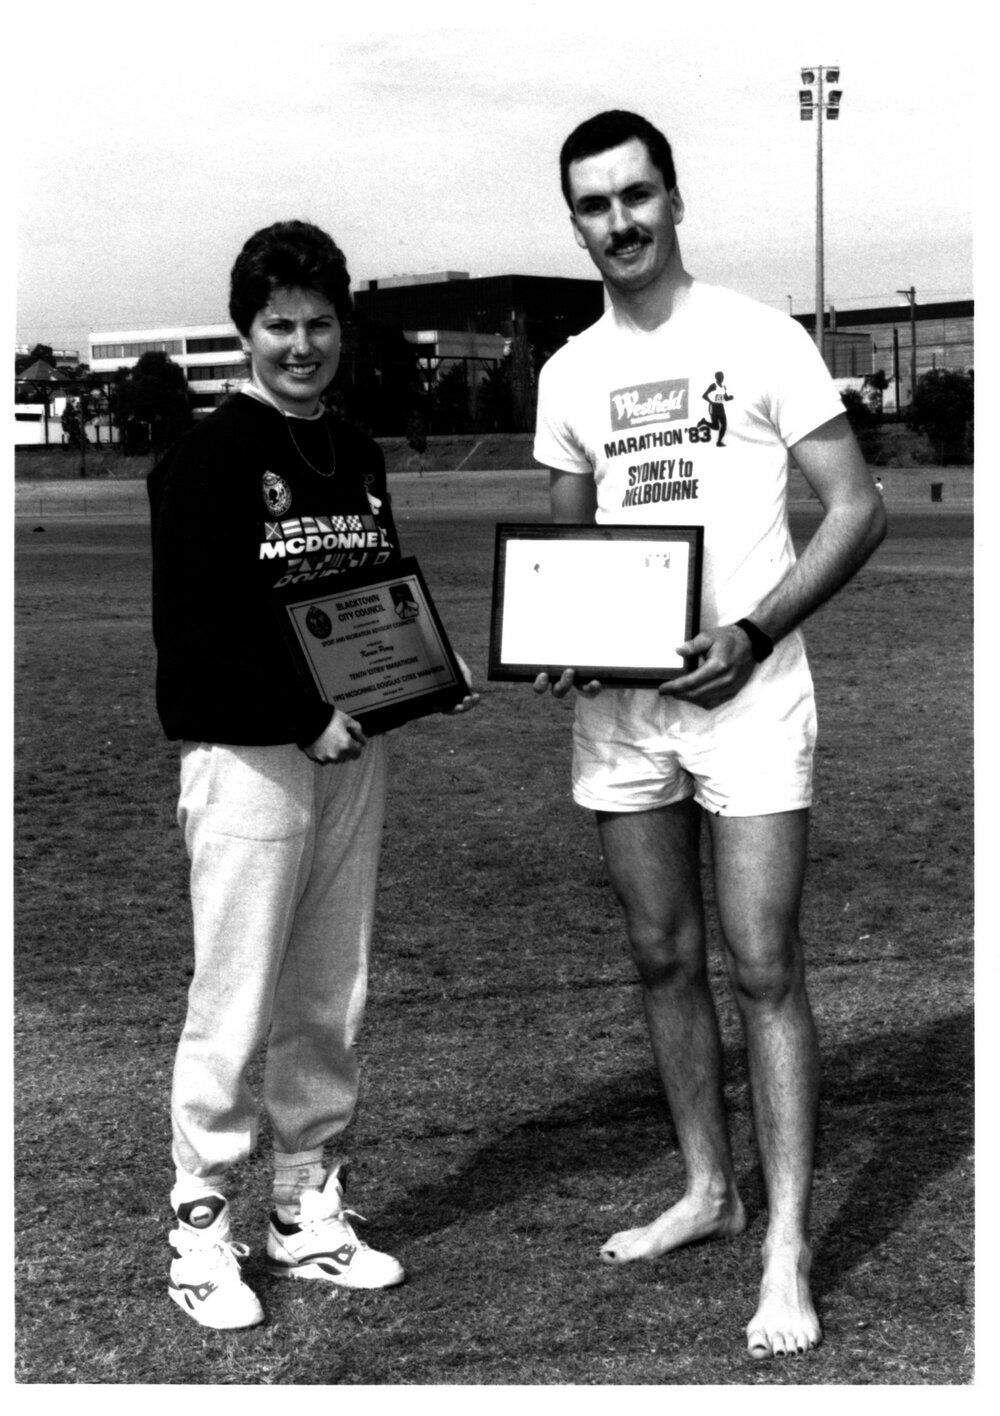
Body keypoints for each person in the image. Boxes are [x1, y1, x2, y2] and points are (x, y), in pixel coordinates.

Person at [533, 112, 886, 1359]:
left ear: (674, 199)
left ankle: (785, 1243)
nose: (617, 222)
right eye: (592, 204)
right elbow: (570, 546)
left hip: (747, 692)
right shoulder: (567, 372)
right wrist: (562, 631)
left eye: (635, 196)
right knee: (660, 956)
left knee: (764, 967)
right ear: (572, 221)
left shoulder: (755, 335)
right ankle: (706, 1189)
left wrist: (753, 628)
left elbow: (856, 507)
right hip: (623, 713)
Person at [148, 219, 477, 1330]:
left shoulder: (353, 447)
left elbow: (370, 593)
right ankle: (200, 1223)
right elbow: (199, 634)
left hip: (349, 754)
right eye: (280, 325)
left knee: (329, 987)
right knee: (235, 993)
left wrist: (427, 670)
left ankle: (303, 1205)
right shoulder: (209, 457)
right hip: (253, 759)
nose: (302, 344)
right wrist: (301, 713)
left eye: (319, 323)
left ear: (344, 327)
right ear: (246, 332)